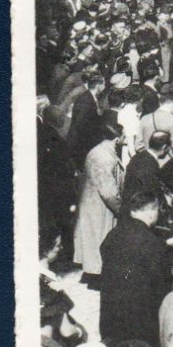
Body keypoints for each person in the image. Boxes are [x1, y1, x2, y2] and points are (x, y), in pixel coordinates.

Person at [98, 191, 169, 347]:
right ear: (151, 212)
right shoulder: (152, 243)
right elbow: (161, 284)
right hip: (140, 318)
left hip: (112, 312)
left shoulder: (113, 234)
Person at [73, 112, 126, 284]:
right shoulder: (102, 156)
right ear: (117, 138)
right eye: (123, 136)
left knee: (96, 238)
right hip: (98, 206)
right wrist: (121, 209)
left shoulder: (103, 151)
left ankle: (95, 273)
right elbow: (108, 191)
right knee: (98, 239)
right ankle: (97, 277)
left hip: (96, 204)